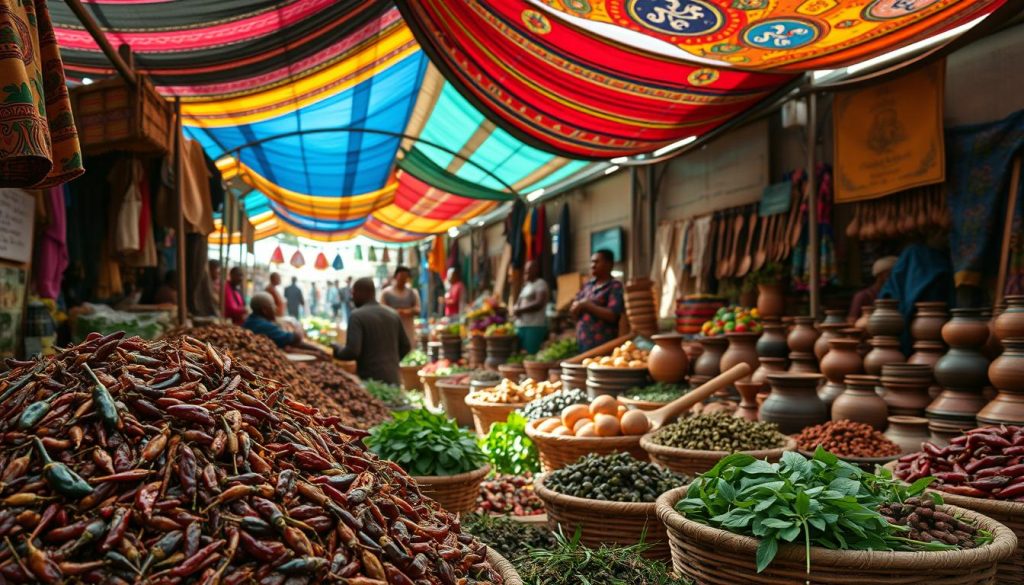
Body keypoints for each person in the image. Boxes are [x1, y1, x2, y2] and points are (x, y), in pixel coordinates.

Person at [331, 278, 410, 384]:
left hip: (370, 380)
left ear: (361, 293)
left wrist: (337, 350)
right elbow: (406, 346)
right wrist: (391, 362)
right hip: (392, 377)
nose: (352, 297)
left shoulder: (357, 316)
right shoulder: (392, 314)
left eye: (353, 293)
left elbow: (352, 351)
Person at [571, 249, 624, 352]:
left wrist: (587, 306)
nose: (592, 265)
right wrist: (576, 307)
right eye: (591, 262)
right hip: (583, 342)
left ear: (609, 264)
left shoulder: (614, 286)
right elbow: (574, 308)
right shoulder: (587, 285)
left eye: (596, 262)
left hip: (603, 345)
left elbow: (613, 315)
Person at [244, 292, 326, 354]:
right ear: (264, 310)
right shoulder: (264, 326)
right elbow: (295, 338)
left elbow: (291, 343)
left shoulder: (250, 321)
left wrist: (316, 350)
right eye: (273, 305)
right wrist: (298, 327)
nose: (275, 308)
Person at [514, 259, 549, 354]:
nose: (526, 273)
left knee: (531, 353)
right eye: (525, 271)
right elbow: (519, 301)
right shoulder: (526, 285)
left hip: (534, 325)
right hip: (522, 325)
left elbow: (539, 303)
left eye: (529, 270)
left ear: (536, 270)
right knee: (520, 353)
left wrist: (520, 310)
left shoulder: (540, 283)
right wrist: (516, 309)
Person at [848, 256, 898, 322]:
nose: (896, 278)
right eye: (891, 274)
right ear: (880, 275)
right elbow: (851, 321)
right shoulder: (862, 296)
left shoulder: (895, 295)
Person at [381, 266, 421, 345]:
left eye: (405, 277)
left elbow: (417, 309)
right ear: (396, 277)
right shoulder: (386, 293)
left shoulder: (413, 292)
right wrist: (394, 312)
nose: (403, 279)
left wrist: (406, 312)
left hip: (408, 329)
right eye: (401, 276)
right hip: (391, 328)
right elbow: (382, 310)